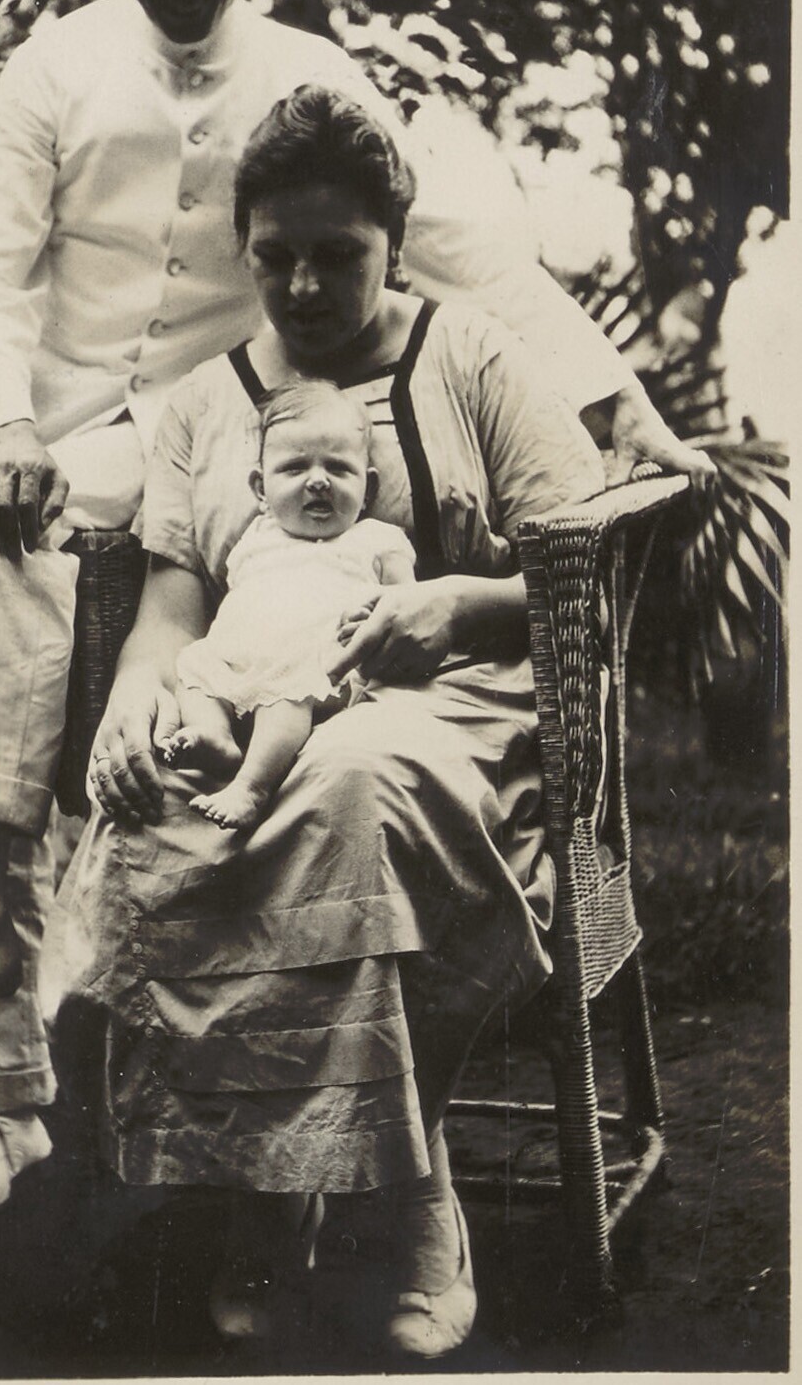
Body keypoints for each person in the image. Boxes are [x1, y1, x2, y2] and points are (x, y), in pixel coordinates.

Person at [0, 0, 710, 1216]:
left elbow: (455, 248)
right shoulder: (54, 69)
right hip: (62, 439)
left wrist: (619, 407)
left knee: (182, 729)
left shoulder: (310, 73)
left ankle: (129, 1096)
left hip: (218, 447)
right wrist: (0, 424)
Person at [39, 85, 608, 1360]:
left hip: (458, 709)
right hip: (249, 700)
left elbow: (585, 568)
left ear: (393, 247)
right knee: (159, 806)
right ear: (241, 251)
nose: (302, 285)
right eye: (274, 255)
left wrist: (457, 607)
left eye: (338, 255)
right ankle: (267, 1184)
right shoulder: (205, 403)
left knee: (350, 778)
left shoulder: (469, 357)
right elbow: (172, 603)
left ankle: (407, 1203)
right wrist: (132, 705)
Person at [160, 380, 415, 830]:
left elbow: (409, 607)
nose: (318, 480)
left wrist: (376, 613)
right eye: (295, 467)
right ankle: (216, 736)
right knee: (196, 672)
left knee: (287, 692)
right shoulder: (255, 538)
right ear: (261, 488)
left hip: (319, 670)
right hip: (245, 660)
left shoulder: (376, 540)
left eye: (339, 468)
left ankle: (251, 788)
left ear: (369, 488)